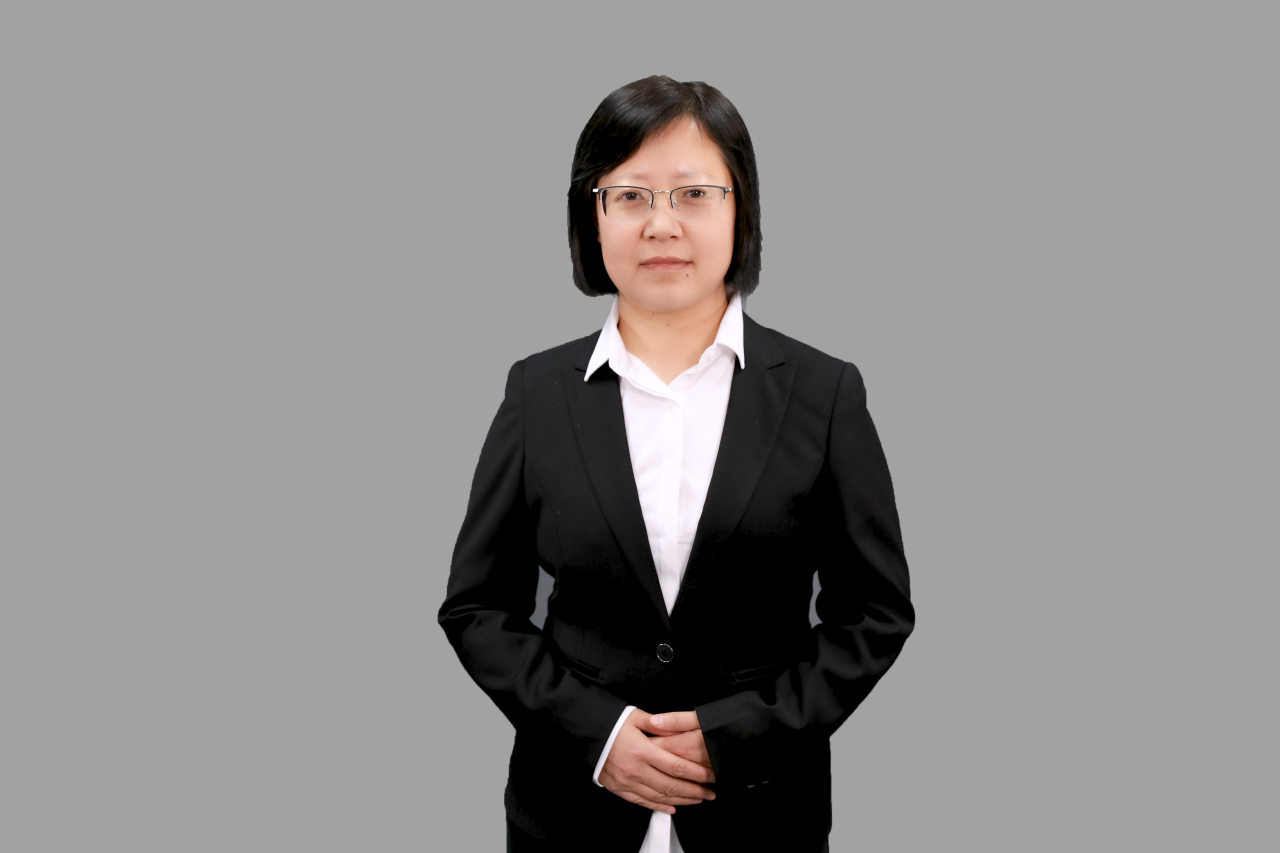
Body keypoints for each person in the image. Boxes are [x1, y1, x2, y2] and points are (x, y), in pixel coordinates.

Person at [438, 75, 914, 853]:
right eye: (630, 196)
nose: (662, 224)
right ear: (592, 217)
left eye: (694, 193)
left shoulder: (825, 393)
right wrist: (595, 734)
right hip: (568, 814)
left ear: (741, 209)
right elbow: (477, 608)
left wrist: (740, 736)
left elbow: (874, 614)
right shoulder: (536, 390)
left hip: (764, 815)